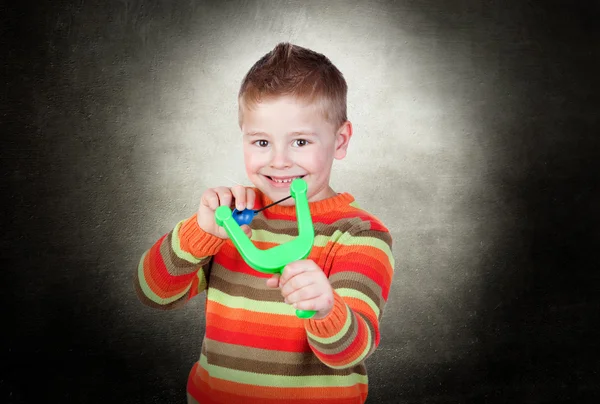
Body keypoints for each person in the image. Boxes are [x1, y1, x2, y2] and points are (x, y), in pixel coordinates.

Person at [134, 42, 395, 404]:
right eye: (261, 142)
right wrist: (201, 233)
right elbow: (154, 293)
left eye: (300, 141)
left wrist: (326, 308)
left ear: (340, 140)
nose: (279, 161)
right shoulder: (231, 219)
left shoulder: (359, 234)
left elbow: (350, 352)